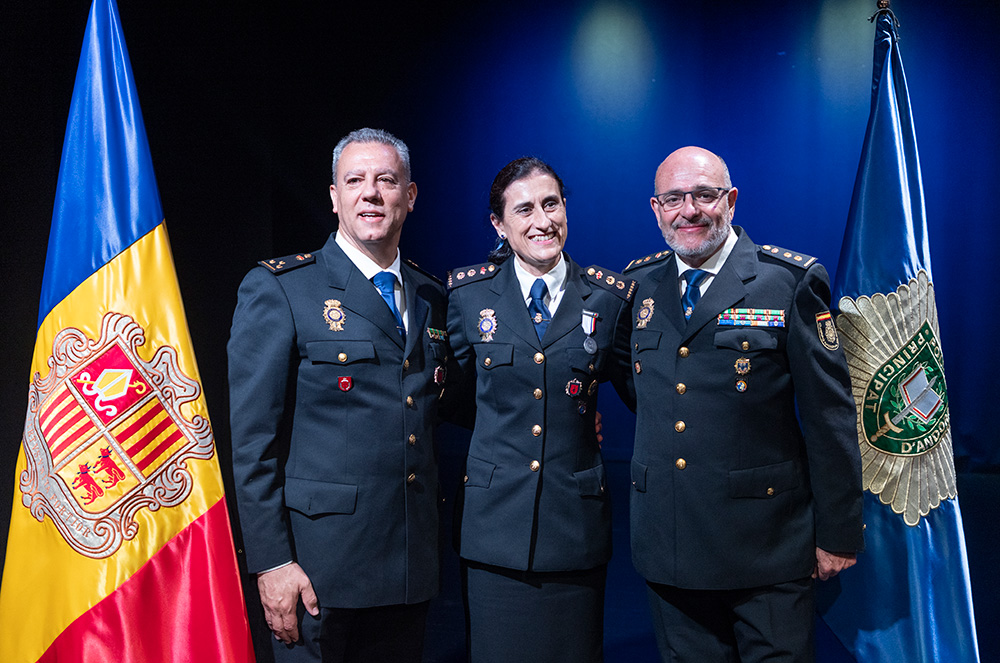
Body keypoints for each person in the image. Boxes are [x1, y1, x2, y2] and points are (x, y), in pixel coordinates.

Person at [619, 146, 864, 662]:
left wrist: (838, 533)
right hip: (671, 544)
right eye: (673, 198)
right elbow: (639, 389)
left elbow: (829, 416)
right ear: (656, 208)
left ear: (730, 200)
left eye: (703, 195)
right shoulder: (637, 286)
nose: (688, 210)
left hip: (767, 549)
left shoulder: (787, 281)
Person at [227, 128, 449, 663]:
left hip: (407, 566)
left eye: (386, 180)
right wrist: (272, 562)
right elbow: (253, 444)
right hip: (317, 573)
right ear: (334, 196)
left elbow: (450, 400)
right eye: (354, 180)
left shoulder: (432, 296)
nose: (370, 193)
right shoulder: (283, 288)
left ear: (410, 196)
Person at [445, 157, 635, 662]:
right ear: (499, 224)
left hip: (574, 528)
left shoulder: (609, 298)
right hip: (493, 529)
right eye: (524, 209)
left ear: (566, 207)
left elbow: (643, 394)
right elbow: (454, 398)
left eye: (551, 204)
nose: (542, 221)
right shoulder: (467, 296)